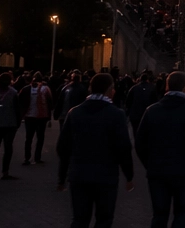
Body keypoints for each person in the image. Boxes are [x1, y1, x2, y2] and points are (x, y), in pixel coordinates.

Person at [135, 71, 185, 228]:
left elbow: (140, 143)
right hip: (184, 170)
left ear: (167, 86)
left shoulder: (152, 110)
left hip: (157, 170)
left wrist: (149, 163)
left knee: (159, 215)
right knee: (181, 214)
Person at [56, 73, 134, 228]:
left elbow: (63, 148)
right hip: (106, 176)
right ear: (110, 90)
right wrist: (129, 175)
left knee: (79, 219)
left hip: (79, 174)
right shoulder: (116, 115)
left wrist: (61, 177)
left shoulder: (75, 113)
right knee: (104, 219)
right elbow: (123, 148)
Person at [21, 74, 53, 166]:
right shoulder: (46, 89)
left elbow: (21, 102)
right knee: (40, 138)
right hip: (42, 117)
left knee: (29, 138)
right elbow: (50, 103)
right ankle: (37, 157)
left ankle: (27, 158)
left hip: (29, 116)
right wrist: (49, 117)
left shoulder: (26, 89)